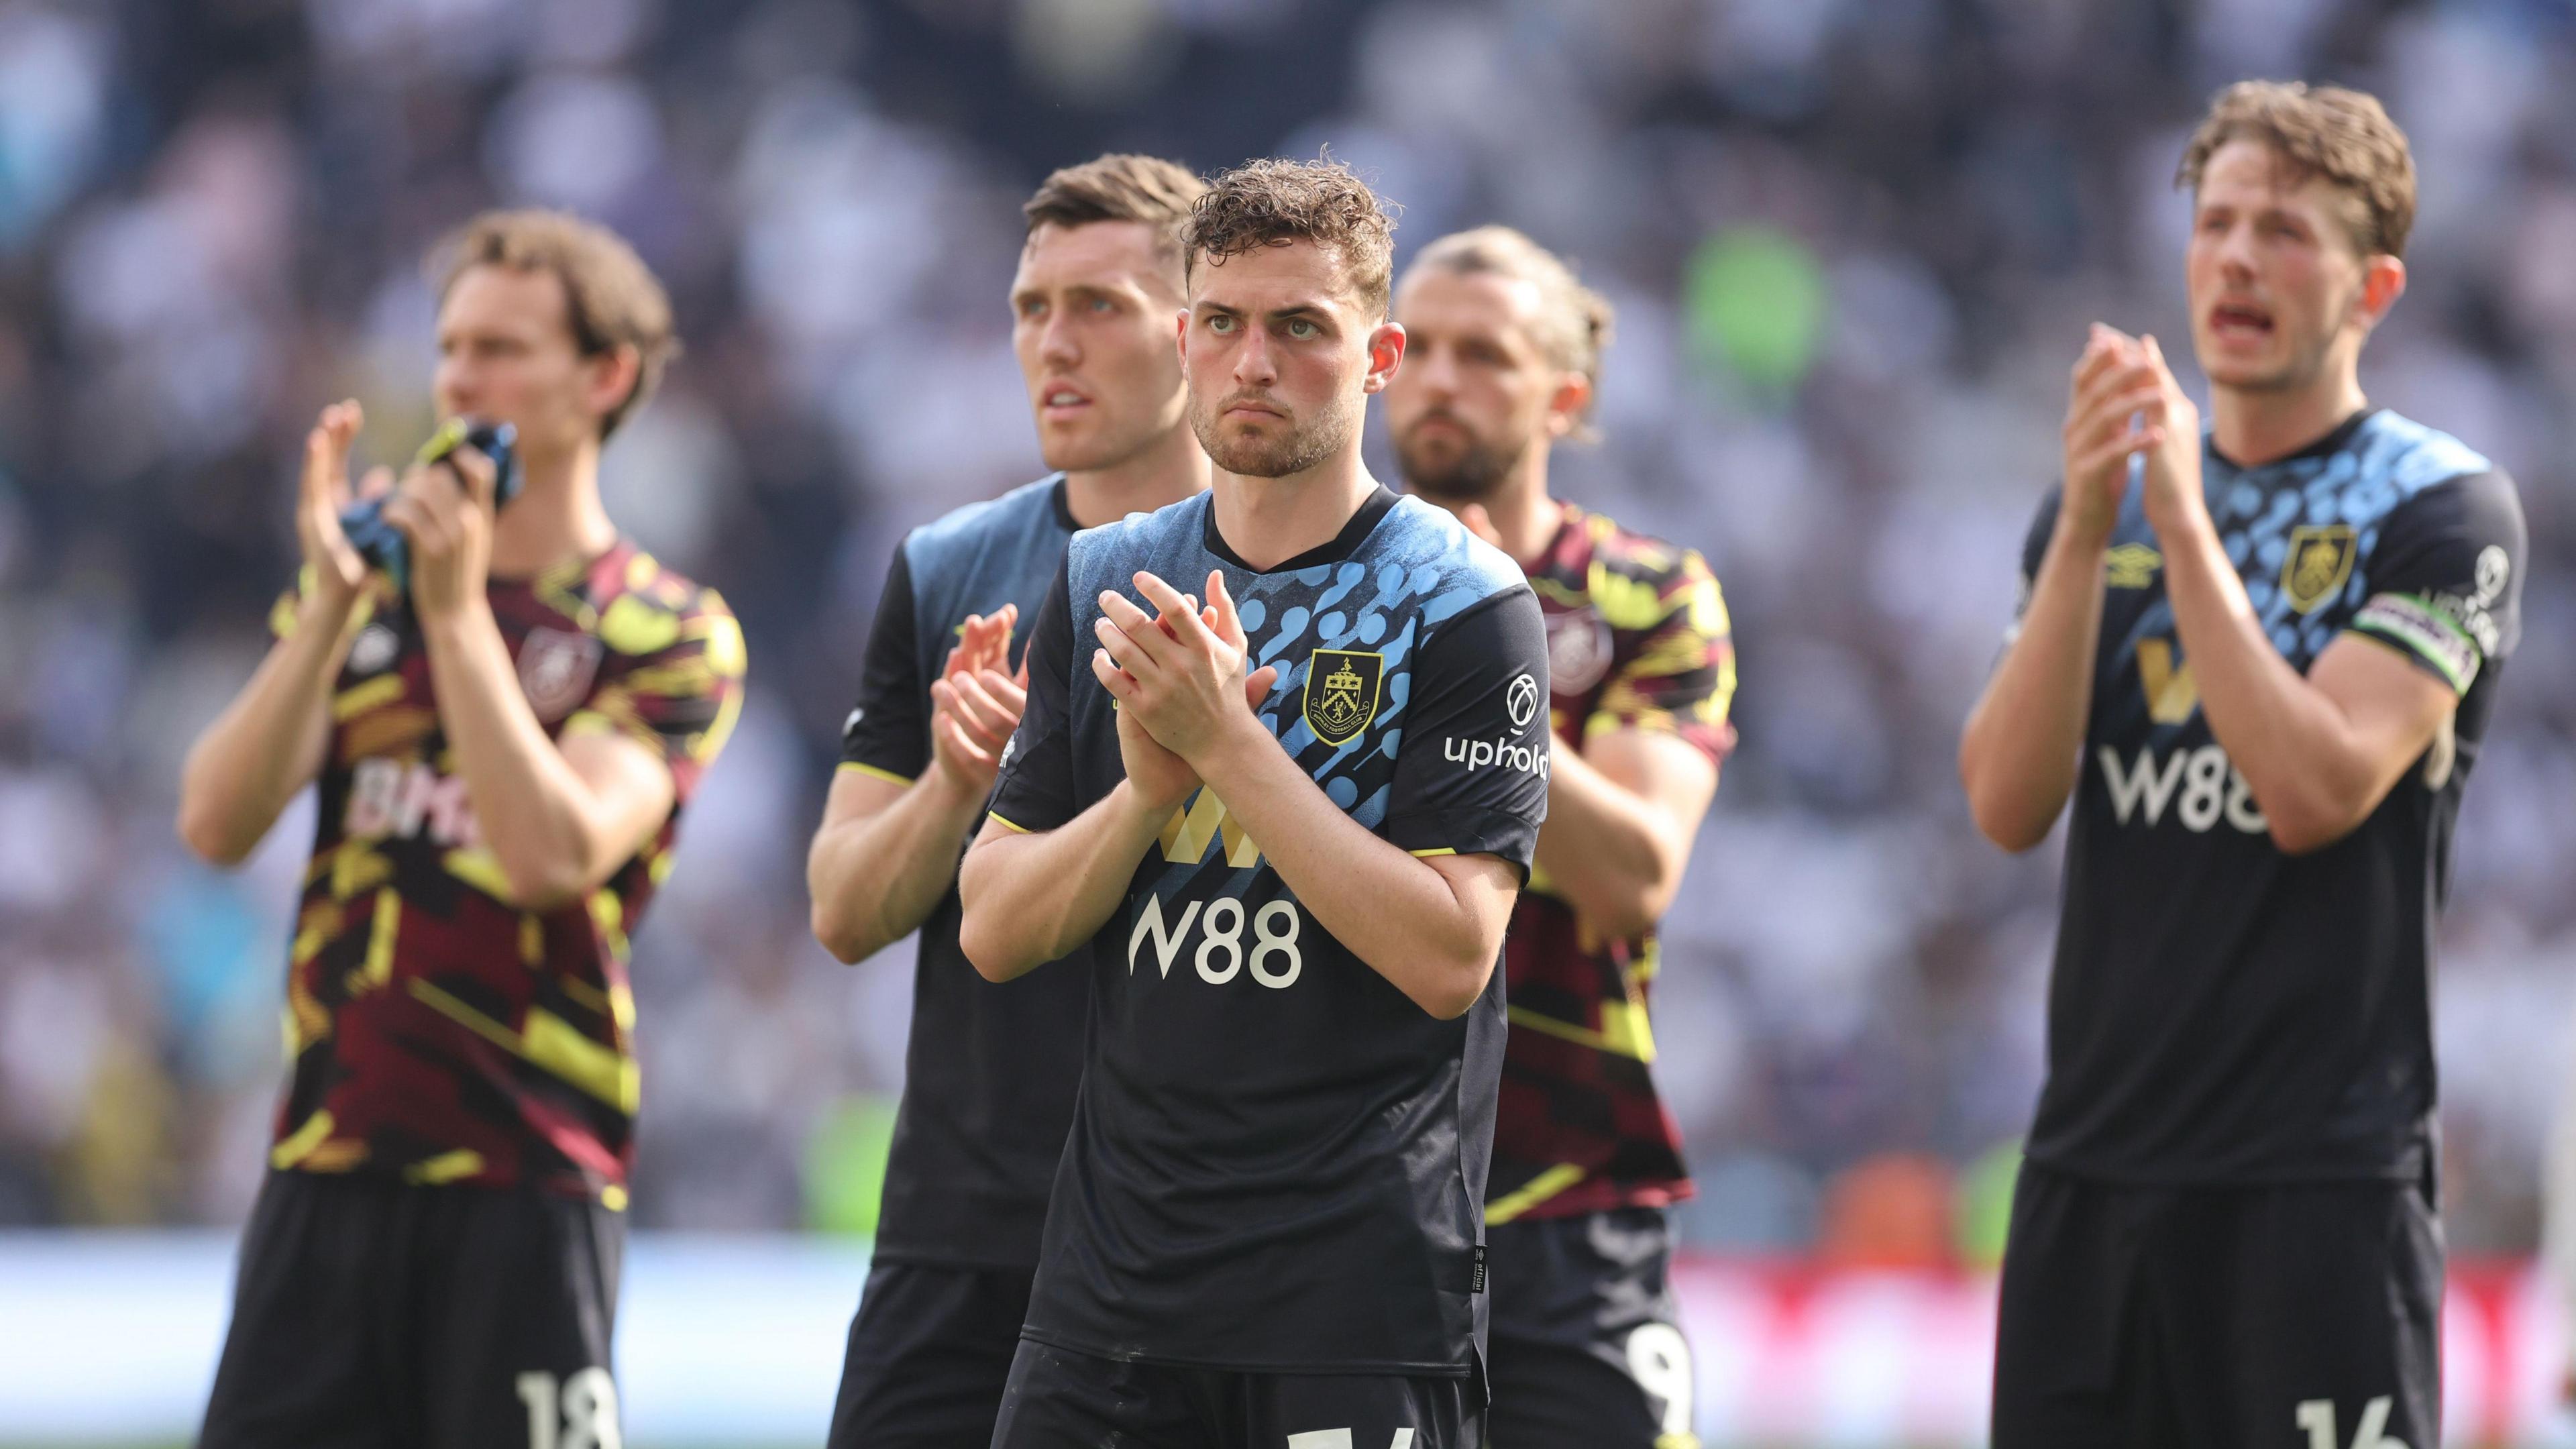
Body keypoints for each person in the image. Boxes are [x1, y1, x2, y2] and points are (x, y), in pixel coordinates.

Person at [1961, 82, 2527, 1449]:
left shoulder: (2438, 508)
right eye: (2216, 223)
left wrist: (2182, 519)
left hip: (2314, 1189)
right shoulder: (2093, 506)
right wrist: (2094, 532)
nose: (2236, 258)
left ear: (2371, 287)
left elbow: (2317, 788)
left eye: (2285, 231)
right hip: (2091, 1181)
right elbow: (2005, 805)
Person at [957, 157, 1551, 1449]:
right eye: (1221, 323)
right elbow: (993, 925)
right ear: (1183, 340)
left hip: (1351, 1302)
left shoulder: (1464, 602)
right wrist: (1143, 799)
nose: (1252, 362)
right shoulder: (1111, 574)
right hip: (1111, 1294)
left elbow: (1453, 954)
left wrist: (1230, 749)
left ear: (1378, 355)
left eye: (1301, 329)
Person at [177, 210, 743, 1448]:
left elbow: (552, 854)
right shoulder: (367, 591)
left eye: (501, 348)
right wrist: (330, 609)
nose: (458, 380)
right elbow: (215, 822)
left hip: (528, 1174)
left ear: (606, 377)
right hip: (329, 1160)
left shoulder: (664, 628)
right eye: (450, 347)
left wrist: (452, 617)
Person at [806, 153, 1210, 1448]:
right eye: (1034, 309)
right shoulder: (950, 567)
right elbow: (843, 909)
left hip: (1197, 1244)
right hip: (963, 1237)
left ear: (1198, 334)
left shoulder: (1300, 575)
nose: (1054, 343)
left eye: (1099, 306)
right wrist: (952, 788)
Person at [1387, 227, 1732, 1449]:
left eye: (1482, 353)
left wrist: (1481, 641)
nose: (1436, 378)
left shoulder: (1645, 593)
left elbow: (1637, 873)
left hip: (1567, 1194)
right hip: (1341, 1200)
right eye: (1414, 346)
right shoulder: (1304, 582)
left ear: (1564, 394)